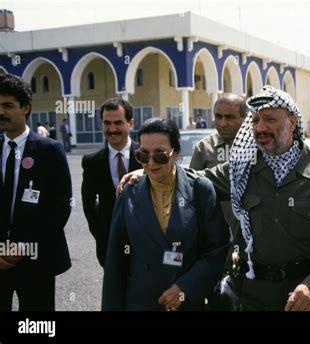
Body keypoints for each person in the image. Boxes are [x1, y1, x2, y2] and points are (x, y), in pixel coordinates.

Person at [119, 86, 310, 311]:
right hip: (253, 297)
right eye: (255, 121)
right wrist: (153, 169)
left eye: (270, 120)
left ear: (292, 121)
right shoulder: (242, 169)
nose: (260, 128)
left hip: (306, 299)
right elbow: (195, 179)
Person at [102, 118, 230, 311]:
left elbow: (217, 250)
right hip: (141, 303)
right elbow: (115, 262)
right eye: (143, 156)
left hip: (187, 303)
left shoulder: (200, 190)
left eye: (160, 156)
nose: (151, 163)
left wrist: (184, 288)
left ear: (176, 153)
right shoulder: (129, 193)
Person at [0, 73, 72, 311]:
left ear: (26, 108)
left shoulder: (50, 151)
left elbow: (60, 208)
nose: (1, 112)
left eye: (8, 106)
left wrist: (23, 246)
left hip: (36, 258)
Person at [81, 98, 141, 267]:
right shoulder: (92, 162)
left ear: (130, 123)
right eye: (107, 123)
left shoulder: (145, 156)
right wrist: (101, 235)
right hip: (109, 246)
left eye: (118, 123)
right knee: (114, 291)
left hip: (145, 243)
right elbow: (88, 202)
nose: (112, 129)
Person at [190, 93, 247, 237]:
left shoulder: (259, 146)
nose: (222, 123)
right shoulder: (203, 148)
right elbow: (191, 189)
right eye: (218, 117)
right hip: (216, 233)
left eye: (229, 117)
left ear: (245, 117)